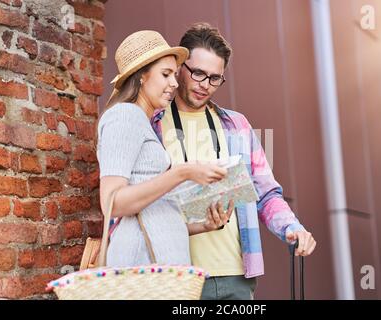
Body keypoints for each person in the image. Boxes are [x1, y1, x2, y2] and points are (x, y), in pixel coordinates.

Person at [151, 23, 317, 299]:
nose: (205, 85)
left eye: (215, 78)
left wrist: (292, 228)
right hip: (177, 278)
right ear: (180, 66)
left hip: (235, 277)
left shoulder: (237, 125)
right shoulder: (152, 123)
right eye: (198, 73)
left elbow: (264, 193)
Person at [97, 30, 233, 268]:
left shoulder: (143, 122)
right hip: (141, 268)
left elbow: (154, 211)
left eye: (174, 74)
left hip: (160, 270)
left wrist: (204, 226)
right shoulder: (124, 116)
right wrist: (182, 172)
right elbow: (113, 203)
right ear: (142, 76)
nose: (174, 82)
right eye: (166, 74)